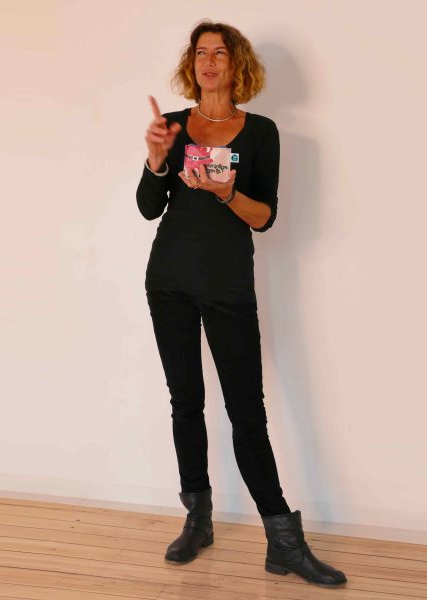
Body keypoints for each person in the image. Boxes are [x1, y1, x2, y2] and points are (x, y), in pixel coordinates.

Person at [136, 20, 347, 588]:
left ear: (236, 66)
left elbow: (265, 217)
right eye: (200, 53)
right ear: (192, 64)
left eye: (220, 54)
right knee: (185, 401)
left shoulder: (261, 133)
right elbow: (148, 208)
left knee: (246, 412)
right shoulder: (172, 125)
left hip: (227, 286)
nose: (208, 62)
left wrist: (227, 191)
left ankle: (283, 540)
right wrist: (156, 158)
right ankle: (197, 518)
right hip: (169, 281)